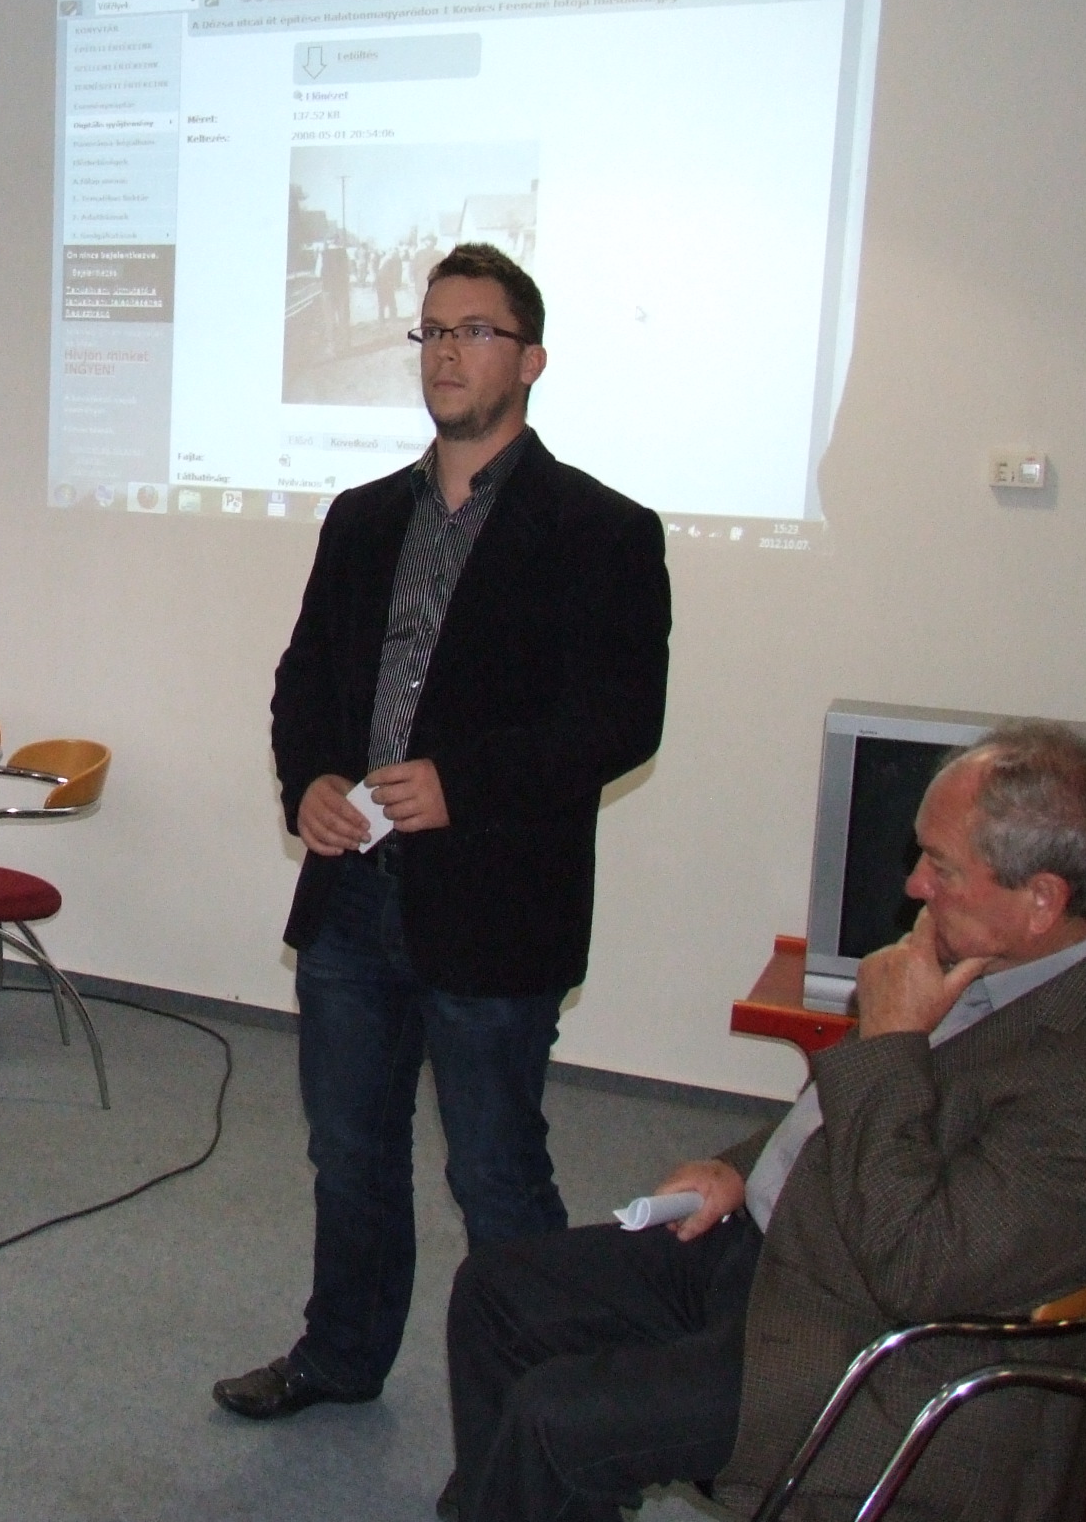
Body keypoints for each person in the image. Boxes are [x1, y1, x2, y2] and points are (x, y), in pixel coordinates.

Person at [444, 722, 1086, 1522]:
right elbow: (843, 1110)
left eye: (941, 866)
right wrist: (743, 1166)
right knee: (496, 1292)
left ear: (1043, 898)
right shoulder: (1011, 943)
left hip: (877, 1348)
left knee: (558, 1418)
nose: (915, 884)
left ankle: (519, 1488)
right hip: (787, 1244)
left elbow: (919, 1269)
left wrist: (890, 1042)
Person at [217, 242, 672, 1421]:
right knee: (349, 1155)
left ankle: (543, 1415)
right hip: (353, 891)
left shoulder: (604, 530)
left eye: (476, 331)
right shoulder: (363, 518)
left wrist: (464, 783)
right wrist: (310, 782)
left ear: (532, 360)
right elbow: (303, 680)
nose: (447, 353)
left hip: (497, 899)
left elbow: (620, 720)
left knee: (496, 1172)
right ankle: (340, 1356)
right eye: (432, 332)